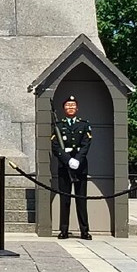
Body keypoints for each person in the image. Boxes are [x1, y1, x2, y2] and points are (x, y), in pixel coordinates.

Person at [51, 95, 92, 239]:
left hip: (80, 167)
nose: (70, 107)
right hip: (64, 166)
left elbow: (86, 144)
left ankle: (84, 230)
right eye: (68, 105)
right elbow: (56, 146)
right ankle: (64, 230)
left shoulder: (84, 125)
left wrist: (77, 160)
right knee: (65, 199)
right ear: (64, 108)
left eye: (73, 105)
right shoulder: (58, 126)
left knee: (81, 199)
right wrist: (68, 160)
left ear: (77, 108)